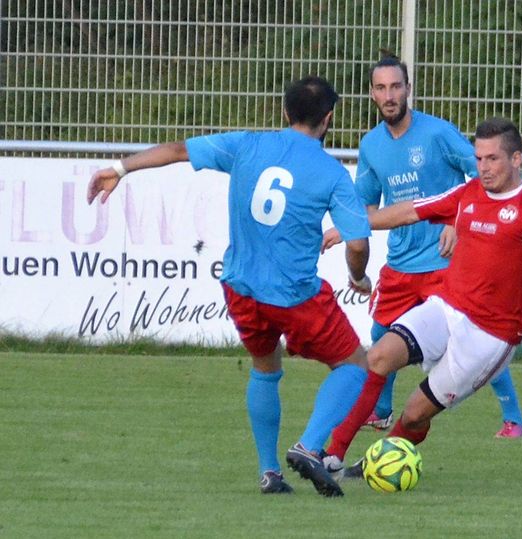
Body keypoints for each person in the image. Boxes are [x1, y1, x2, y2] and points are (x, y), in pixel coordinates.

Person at [87, 76, 373, 497]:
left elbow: (178, 150)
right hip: (295, 296)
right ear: (328, 119)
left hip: (241, 291)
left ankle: (269, 472)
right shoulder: (331, 172)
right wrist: (357, 275)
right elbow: (359, 243)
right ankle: (310, 446)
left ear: (283, 112)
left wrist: (119, 169)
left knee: (265, 368)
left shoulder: (247, 144)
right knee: (354, 365)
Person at [321, 117, 522, 476]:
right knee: (379, 355)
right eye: (479, 158)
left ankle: (374, 465)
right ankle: (331, 456)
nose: (484, 168)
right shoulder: (468, 194)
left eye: (493, 159)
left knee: (414, 414)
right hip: (446, 308)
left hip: (490, 335)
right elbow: (410, 210)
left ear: (516, 159)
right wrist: (353, 226)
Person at [333, 55, 522, 438]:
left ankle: (514, 419)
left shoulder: (438, 133)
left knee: (472, 338)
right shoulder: (371, 145)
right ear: (372, 94)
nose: (389, 95)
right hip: (402, 260)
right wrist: (352, 231)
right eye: (381, 88)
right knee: (380, 334)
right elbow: (367, 201)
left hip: (443, 260)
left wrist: (458, 223)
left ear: (408, 89)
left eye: (395, 86)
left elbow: (481, 174)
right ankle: (383, 409)